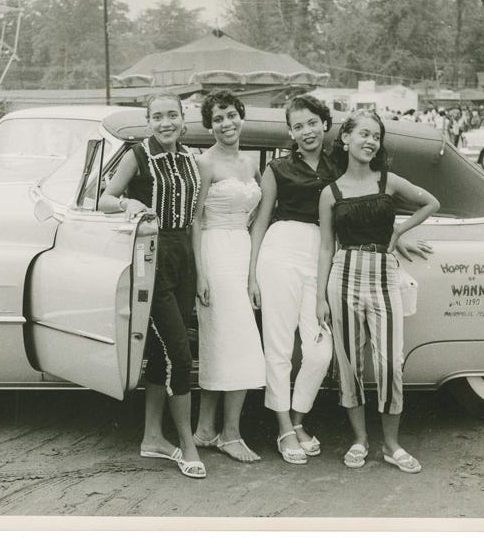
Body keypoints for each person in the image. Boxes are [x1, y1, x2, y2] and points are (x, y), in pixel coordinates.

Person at [316, 109, 440, 474]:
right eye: (364, 134)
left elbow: (431, 202)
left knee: (389, 365)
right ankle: (360, 440)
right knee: (350, 363)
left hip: (384, 275)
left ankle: (392, 445)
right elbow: (326, 247)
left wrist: (399, 232)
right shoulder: (330, 192)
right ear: (345, 139)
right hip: (344, 273)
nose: (371, 141)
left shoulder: (388, 181)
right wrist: (321, 296)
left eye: (376, 136)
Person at [99, 91, 206, 479]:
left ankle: (152, 438)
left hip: (184, 259)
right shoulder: (137, 155)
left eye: (172, 116)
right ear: (149, 121)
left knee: (162, 355)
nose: (166, 123)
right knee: (180, 354)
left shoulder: (190, 158)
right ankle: (187, 445)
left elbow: (195, 217)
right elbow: (106, 199)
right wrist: (129, 204)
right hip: (152, 259)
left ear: (183, 119)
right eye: (158, 117)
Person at [248, 94, 336, 465]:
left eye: (312, 123)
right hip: (281, 249)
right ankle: (285, 427)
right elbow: (261, 221)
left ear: (325, 124)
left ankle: (299, 418)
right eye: (298, 126)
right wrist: (251, 274)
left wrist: (402, 234)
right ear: (290, 133)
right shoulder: (278, 169)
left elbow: (371, 201)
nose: (306, 131)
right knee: (280, 345)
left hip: (323, 252)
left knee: (319, 350)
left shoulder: (341, 166)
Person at [191, 89, 265, 463]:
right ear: (210, 127)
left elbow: (255, 218)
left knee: (225, 342)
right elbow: (195, 221)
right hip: (214, 251)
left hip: (241, 251)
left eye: (230, 115)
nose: (226, 124)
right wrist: (199, 274)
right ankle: (229, 435)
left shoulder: (252, 163)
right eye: (217, 119)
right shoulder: (205, 163)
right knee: (233, 341)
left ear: (241, 115)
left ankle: (207, 430)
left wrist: (253, 275)